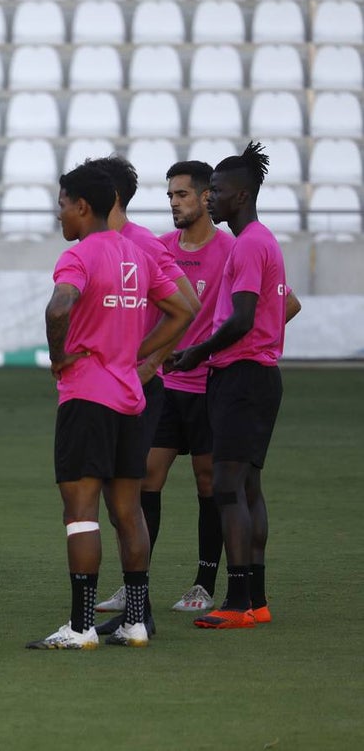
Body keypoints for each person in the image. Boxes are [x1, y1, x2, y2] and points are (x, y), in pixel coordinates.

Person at [27, 163, 193, 650]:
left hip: (87, 396)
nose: (59, 214)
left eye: (62, 205)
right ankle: (135, 622)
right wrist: (137, 353)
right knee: (129, 510)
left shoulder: (78, 255)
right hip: (130, 398)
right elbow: (183, 309)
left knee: (80, 511)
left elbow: (59, 307)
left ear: (82, 206)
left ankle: (81, 627)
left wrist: (59, 356)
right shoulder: (136, 254)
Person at [171, 142, 302, 630]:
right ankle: (256, 599)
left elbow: (242, 318)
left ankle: (238, 600)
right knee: (247, 487)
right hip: (256, 376)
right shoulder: (261, 240)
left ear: (241, 195)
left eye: (218, 191)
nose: (210, 199)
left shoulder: (247, 245)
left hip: (242, 376)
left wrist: (197, 352)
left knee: (227, 487)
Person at [84, 155, 201, 625]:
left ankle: (140, 611)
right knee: (118, 506)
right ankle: (138, 610)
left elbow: (188, 304)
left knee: (124, 503)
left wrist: (148, 359)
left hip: (132, 389)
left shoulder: (141, 243)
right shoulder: (100, 243)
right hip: (106, 387)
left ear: (108, 196)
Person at [146, 161, 236, 613]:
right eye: (170, 196)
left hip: (207, 386)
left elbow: (284, 305)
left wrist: (230, 349)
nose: (174, 203)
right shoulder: (159, 248)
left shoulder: (233, 250)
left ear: (205, 197)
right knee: (146, 477)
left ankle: (203, 584)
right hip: (164, 384)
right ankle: (135, 582)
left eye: (181, 194)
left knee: (207, 483)